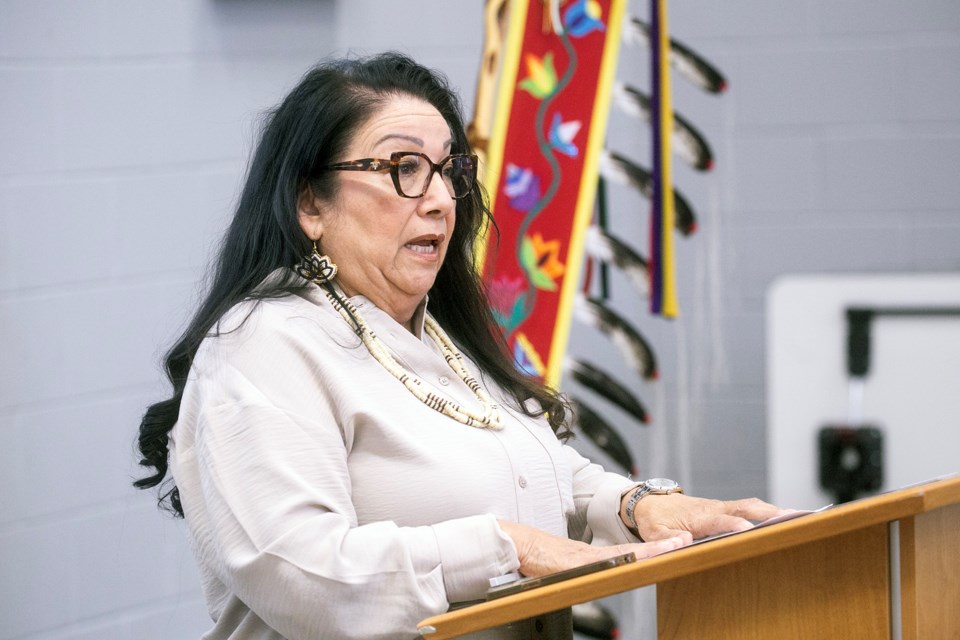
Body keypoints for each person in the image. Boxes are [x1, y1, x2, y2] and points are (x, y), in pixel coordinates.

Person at [134, 52, 786, 640]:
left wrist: (645, 506)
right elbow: (305, 578)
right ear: (311, 204)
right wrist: (507, 546)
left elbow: (542, 473)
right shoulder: (263, 345)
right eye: (403, 169)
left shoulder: (437, 338)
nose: (443, 200)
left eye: (449, 171)